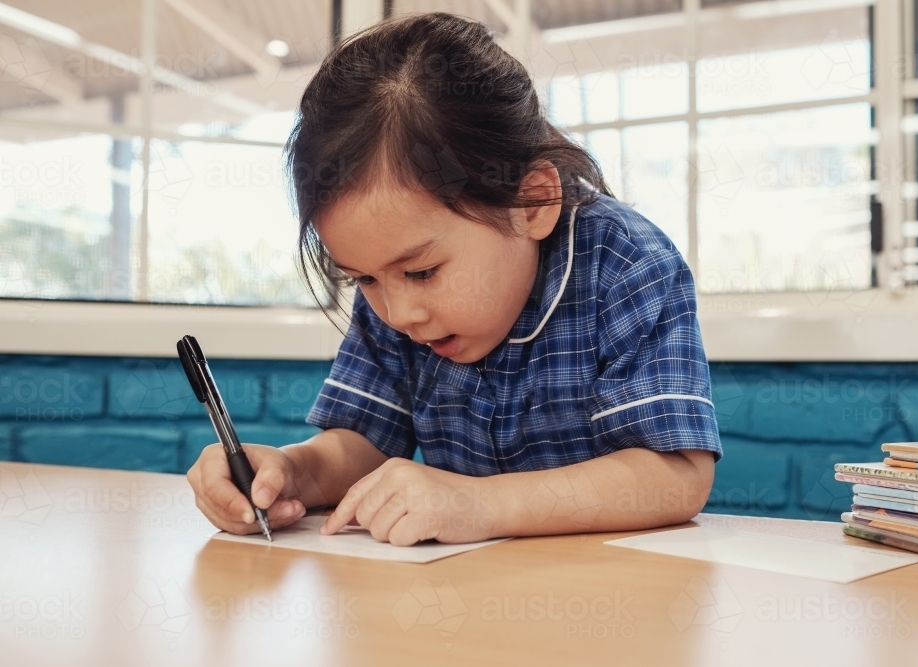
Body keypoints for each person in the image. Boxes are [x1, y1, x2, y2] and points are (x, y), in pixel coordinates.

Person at [187, 12, 721, 546]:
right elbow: (364, 442)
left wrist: (481, 504)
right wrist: (289, 473)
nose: (399, 313)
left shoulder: (625, 262)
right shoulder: (394, 289)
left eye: (422, 272)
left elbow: (676, 476)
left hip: (612, 602)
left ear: (532, 201)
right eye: (364, 280)